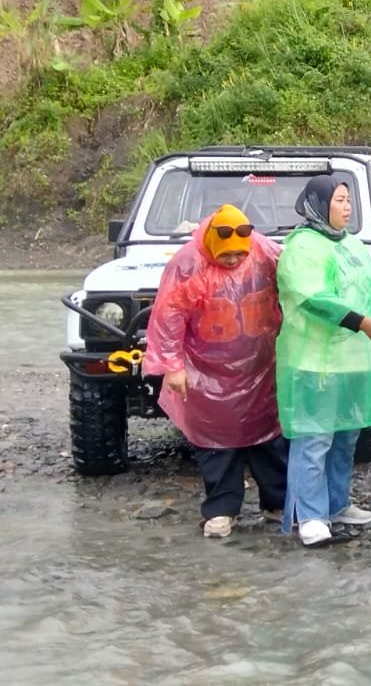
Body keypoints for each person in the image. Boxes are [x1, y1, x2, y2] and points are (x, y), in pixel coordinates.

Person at [143, 205, 286, 538]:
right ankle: (222, 508)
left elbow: (295, 277)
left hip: (260, 364)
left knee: (269, 437)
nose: (234, 260)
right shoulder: (188, 263)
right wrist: (172, 366)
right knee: (215, 440)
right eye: (227, 255)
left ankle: (276, 502)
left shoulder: (263, 250)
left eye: (240, 254)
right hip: (206, 371)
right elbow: (168, 317)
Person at [276, 176, 371, 547]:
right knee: (313, 438)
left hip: (353, 359)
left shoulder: (353, 245)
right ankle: (309, 515)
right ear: (319, 204)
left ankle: (337, 503)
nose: (347, 207)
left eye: (348, 200)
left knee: (346, 437)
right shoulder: (302, 247)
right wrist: (363, 324)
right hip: (316, 362)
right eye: (340, 200)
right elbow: (313, 299)